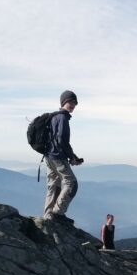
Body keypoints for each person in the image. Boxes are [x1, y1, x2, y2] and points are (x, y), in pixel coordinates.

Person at [42, 90, 83, 223]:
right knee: (71, 183)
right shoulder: (63, 118)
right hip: (57, 156)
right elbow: (62, 140)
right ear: (63, 102)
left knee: (53, 185)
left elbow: (58, 140)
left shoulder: (54, 117)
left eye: (75, 102)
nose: (73, 105)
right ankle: (58, 213)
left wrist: (73, 156)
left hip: (48, 156)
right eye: (70, 101)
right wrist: (72, 157)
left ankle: (48, 216)